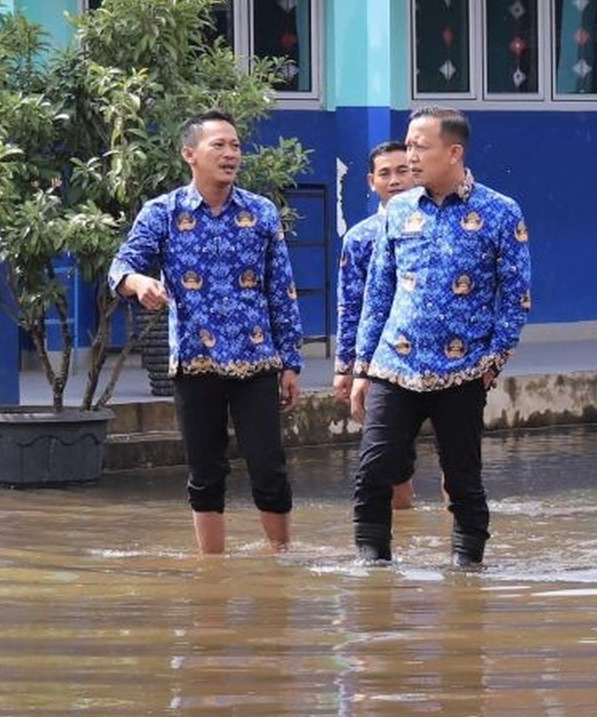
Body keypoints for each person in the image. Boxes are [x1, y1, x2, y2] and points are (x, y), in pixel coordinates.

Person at [109, 109, 304, 555]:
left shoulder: (261, 212)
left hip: (257, 360)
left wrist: (291, 363)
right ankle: (211, 568)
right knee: (205, 473)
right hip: (195, 362)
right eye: (219, 145)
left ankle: (282, 558)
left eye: (235, 145)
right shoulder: (163, 212)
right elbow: (122, 266)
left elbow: (282, 290)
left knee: (269, 467)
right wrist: (139, 283)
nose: (230, 154)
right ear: (190, 154)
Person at [349, 106, 532, 565]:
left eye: (420, 146)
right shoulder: (398, 211)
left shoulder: (500, 212)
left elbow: (516, 299)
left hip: (462, 369)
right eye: (408, 144)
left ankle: (467, 572)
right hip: (394, 365)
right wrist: (361, 368)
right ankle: (372, 569)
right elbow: (378, 292)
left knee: (463, 480)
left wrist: (491, 363)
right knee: (374, 472)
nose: (410, 155)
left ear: (453, 152)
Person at [334, 141, 417, 510]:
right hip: (382, 361)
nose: (394, 180)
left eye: (403, 171)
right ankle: (403, 530)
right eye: (385, 173)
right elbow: (350, 304)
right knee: (388, 459)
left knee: (456, 460)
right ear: (371, 181)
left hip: (438, 355)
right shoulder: (360, 238)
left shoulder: (442, 226)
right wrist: (346, 367)